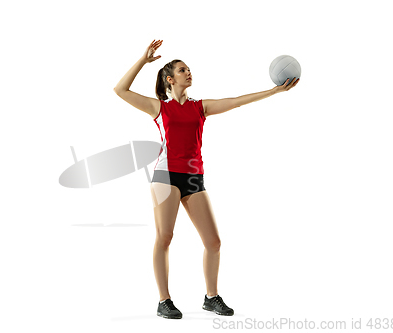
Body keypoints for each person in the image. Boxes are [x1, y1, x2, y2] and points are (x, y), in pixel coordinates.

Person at [113, 39, 299, 319]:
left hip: (193, 177)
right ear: (169, 78)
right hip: (165, 175)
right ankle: (164, 300)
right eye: (182, 69)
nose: (189, 73)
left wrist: (274, 91)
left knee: (213, 242)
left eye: (189, 69)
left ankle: (211, 298)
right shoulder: (159, 108)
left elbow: (236, 101)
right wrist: (143, 60)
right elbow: (120, 90)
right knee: (165, 236)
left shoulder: (200, 107)